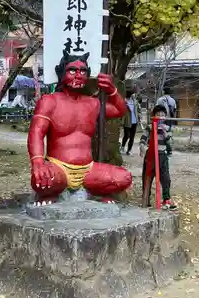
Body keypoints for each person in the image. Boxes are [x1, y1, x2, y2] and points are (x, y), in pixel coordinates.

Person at [27, 51, 132, 203]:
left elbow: (119, 110)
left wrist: (112, 90)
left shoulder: (93, 103)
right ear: (61, 73)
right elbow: (36, 133)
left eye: (83, 71)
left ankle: (97, 191)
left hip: (88, 170)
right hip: (58, 168)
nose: (78, 75)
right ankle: (49, 194)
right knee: (43, 181)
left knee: (124, 178)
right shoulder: (49, 101)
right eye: (72, 70)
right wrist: (37, 163)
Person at [139, 105, 177, 210]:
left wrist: (165, 133)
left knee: (166, 179)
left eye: (162, 115)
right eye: (158, 114)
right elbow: (143, 138)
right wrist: (142, 146)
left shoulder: (168, 128)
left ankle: (166, 199)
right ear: (154, 116)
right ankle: (146, 199)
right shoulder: (150, 127)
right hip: (151, 156)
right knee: (147, 178)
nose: (160, 117)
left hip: (162, 156)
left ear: (165, 117)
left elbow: (170, 143)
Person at [156, 86, 176, 155]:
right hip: (170, 120)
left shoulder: (160, 100)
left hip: (161, 119)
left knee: (161, 134)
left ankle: (161, 149)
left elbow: (156, 110)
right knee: (168, 135)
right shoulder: (173, 100)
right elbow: (174, 111)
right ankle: (169, 151)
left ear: (163, 92)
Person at [121, 89, 141, 155]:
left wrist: (139, 117)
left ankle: (129, 150)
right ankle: (122, 147)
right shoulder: (124, 101)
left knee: (132, 137)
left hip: (134, 121)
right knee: (127, 135)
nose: (131, 95)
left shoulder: (135, 101)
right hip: (127, 121)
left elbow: (138, 110)